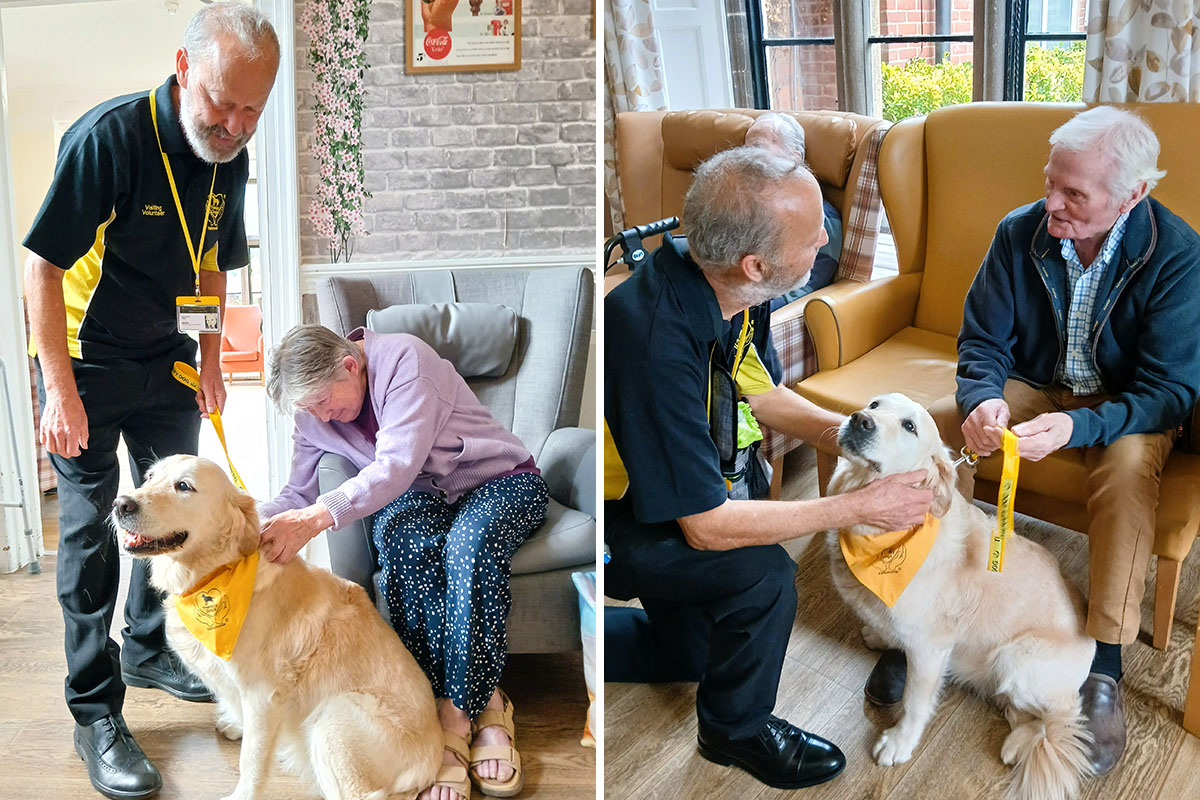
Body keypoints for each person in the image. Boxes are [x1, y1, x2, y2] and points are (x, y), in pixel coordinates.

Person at [604, 146, 935, 790]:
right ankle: (733, 730)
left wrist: (850, 437)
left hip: (690, 484)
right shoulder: (651, 339)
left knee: (696, 654)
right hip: (623, 521)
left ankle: (599, 630)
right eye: (814, 236)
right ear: (755, 261)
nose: (825, 240)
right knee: (763, 576)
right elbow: (703, 526)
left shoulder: (734, 289)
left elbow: (758, 392)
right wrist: (859, 507)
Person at [22, 4, 278, 798]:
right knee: (97, 535)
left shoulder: (228, 154)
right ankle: (96, 709)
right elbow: (41, 267)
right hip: (88, 363)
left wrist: (207, 356)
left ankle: (146, 645)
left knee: (173, 508)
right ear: (182, 68)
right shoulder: (111, 139)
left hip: (163, 356)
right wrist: (59, 393)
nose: (234, 124)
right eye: (221, 102)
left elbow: (209, 260)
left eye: (251, 110)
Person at [897, 106, 1200, 775]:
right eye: (1049, 183)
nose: (1051, 203)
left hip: (1126, 406)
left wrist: (1080, 426)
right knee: (940, 426)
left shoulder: (1179, 256)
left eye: (1073, 194)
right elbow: (981, 342)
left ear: (1133, 195)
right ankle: (921, 600)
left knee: (1124, 478)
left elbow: (1171, 391)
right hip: (1035, 384)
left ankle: (1105, 663)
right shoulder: (1018, 233)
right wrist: (982, 401)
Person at [259, 324, 549, 800]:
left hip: (500, 481)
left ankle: (465, 711)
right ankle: (462, 697)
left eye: (321, 401)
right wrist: (247, 520)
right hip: (421, 497)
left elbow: (395, 465)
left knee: (467, 546)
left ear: (350, 364)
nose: (320, 416)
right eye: (308, 409)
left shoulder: (405, 361)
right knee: (400, 541)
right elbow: (297, 491)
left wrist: (315, 519)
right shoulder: (313, 415)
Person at [744, 112, 843, 307]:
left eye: (757, 148)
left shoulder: (822, 220)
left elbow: (799, 293)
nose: (746, 159)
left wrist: (741, 310)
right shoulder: (743, 204)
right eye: (744, 150)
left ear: (794, 157)